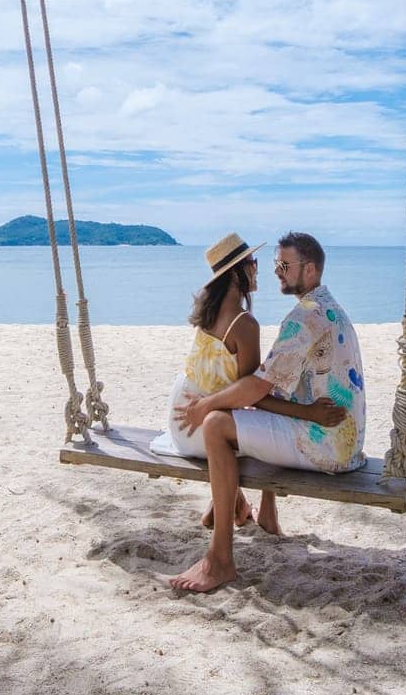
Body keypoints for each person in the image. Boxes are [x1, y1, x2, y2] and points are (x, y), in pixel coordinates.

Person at [168, 231, 366, 595]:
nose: (276, 271)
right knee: (244, 416)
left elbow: (256, 388)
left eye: (284, 265)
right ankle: (259, 513)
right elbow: (264, 387)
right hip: (341, 438)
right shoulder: (325, 306)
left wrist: (205, 405)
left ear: (310, 270)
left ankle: (221, 560)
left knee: (215, 425)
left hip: (326, 442)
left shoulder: (305, 317)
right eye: (275, 264)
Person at [151, 232, 347, 535]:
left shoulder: (209, 313)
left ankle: (232, 507)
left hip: (180, 412)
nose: (260, 269)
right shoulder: (244, 324)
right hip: (196, 422)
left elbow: (245, 390)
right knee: (267, 425)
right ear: (237, 272)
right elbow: (253, 395)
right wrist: (310, 413)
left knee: (266, 414)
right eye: (253, 263)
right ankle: (247, 509)